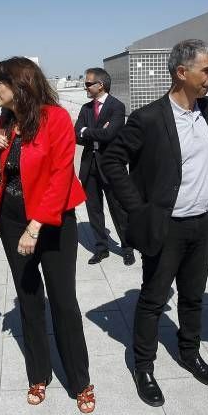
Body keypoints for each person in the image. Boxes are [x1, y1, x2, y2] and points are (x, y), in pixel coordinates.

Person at [100, 39, 208, 407]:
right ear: (182, 73)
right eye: (207, 70)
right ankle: (143, 366)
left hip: (200, 224)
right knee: (154, 300)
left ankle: (189, 352)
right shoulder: (149, 118)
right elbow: (111, 162)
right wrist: (140, 208)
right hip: (165, 227)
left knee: (192, 296)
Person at [0, 57, 95, 413]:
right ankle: (38, 374)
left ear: (19, 85)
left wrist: (36, 226)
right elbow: (2, 170)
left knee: (63, 302)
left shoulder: (55, 117)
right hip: (12, 222)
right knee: (29, 300)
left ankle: (79, 380)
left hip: (53, 223)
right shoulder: (6, 119)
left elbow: (61, 175)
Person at [74, 67, 134, 266]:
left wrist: (87, 131)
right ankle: (101, 248)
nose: (86, 87)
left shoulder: (117, 107)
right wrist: (96, 131)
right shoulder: (85, 108)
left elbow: (110, 135)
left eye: (88, 84)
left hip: (111, 166)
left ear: (101, 85)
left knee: (118, 208)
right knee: (94, 209)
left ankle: (127, 247)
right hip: (89, 166)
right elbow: (76, 135)